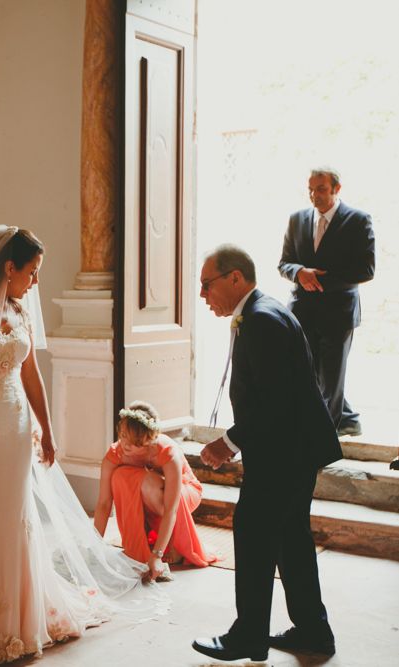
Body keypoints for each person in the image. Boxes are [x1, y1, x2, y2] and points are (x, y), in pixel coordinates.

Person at [0, 225, 168, 665]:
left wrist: (49, 429)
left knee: (10, 516)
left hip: (13, 425)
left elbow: (31, 372)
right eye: (32, 272)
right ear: (9, 266)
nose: (36, 281)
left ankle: (14, 619)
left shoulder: (20, 313)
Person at [192, 244, 342, 662]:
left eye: (207, 284)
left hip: (283, 452)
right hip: (292, 449)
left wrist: (228, 442)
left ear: (235, 278)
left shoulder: (261, 320)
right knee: (291, 539)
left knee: (255, 536)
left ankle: (249, 636)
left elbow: (274, 402)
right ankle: (313, 631)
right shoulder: (261, 312)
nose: (203, 295)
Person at [278, 167, 375, 436]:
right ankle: (349, 419)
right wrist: (299, 272)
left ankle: (323, 437)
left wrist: (319, 279)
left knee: (331, 377)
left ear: (336, 189)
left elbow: (366, 269)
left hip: (338, 312)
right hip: (302, 311)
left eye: (320, 189)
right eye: (310, 189)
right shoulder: (297, 219)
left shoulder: (358, 220)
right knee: (306, 373)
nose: (314, 195)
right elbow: (283, 263)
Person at [94, 401, 216, 581]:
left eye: (134, 441)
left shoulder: (166, 452)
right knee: (120, 477)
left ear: (149, 438)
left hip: (184, 493)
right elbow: (104, 504)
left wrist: (157, 556)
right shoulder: (115, 454)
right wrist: (94, 546)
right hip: (151, 494)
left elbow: (171, 509)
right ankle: (139, 547)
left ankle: (174, 545)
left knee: (148, 483)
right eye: (123, 436)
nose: (126, 445)